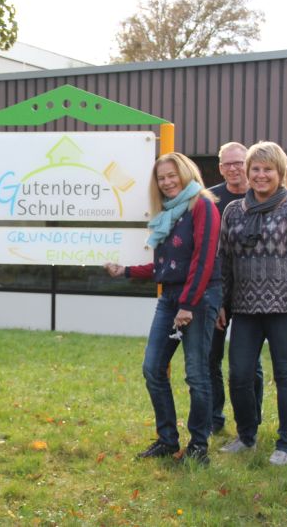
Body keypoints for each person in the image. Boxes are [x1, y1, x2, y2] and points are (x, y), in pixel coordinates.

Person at [105, 152, 221, 465]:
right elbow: (165, 266)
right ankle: (168, 440)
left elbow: (203, 261)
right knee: (152, 368)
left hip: (196, 299)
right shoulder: (169, 214)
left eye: (173, 175)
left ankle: (199, 447)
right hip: (169, 298)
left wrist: (187, 304)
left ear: (186, 174)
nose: (167, 182)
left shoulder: (203, 206)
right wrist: (126, 271)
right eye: (162, 177)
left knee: (196, 375)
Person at [217, 141, 287, 465]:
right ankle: (246, 436)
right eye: (255, 169)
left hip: (285, 309)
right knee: (240, 374)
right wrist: (221, 303)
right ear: (247, 173)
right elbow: (224, 262)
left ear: (279, 173)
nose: (261, 175)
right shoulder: (233, 212)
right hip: (244, 309)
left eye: (268, 169)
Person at [207, 142, 263, 434]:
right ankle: (215, 419)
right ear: (220, 168)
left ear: (248, 163)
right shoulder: (210, 199)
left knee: (249, 362)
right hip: (217, 289)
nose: (233, 168)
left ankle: (253, 418)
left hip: (252, 292)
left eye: (238, 163)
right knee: (211, 358)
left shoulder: (264, 196)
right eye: (227, 164)